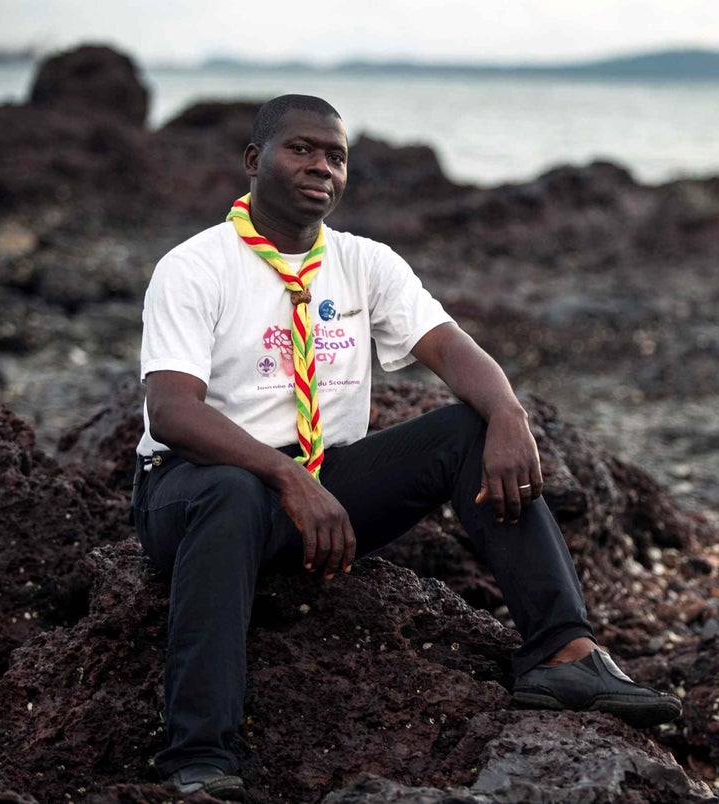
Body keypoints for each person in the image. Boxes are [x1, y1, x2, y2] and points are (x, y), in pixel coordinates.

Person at [132, 94, 680, 800]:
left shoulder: (365, 264)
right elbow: (172, 412)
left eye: (336, 156)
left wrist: (510, 416)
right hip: (193, 491)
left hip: (316, 489)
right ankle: (199, 759)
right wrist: (286, 478)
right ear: (253, 160)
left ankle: (562, 651)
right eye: (301, 149)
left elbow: (453, 352)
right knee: (236, 492)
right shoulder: (196, 266)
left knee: (468, 429)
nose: (321, 167)